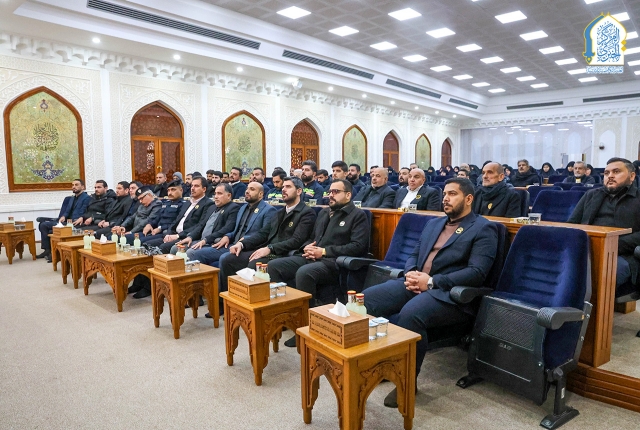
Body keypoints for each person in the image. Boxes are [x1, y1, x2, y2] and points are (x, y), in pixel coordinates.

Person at [364, 178, 499, 407]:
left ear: (468, 199)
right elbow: (413, 255)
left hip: (449, 293)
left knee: (410, 315)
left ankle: (407, 381)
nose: (446, 198)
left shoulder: (483, 228)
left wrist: (432, 281)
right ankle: (383, 365)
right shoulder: (434, 224)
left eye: (452, 194)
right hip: (416, 283)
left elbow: (477, 272)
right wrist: (410, 273)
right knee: (366, 300)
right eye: (445, 193)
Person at [268, 179, 370, 346]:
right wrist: (307, 246)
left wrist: (323, 251)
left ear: (348, 195)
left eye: (336, 192)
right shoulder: (324, 213)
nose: (330, 195)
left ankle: (305, 327)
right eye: (330, 192)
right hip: (312, 256)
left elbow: (358, 246)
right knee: (274, 266)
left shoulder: (357, 215)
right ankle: (284, 318)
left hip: (334, 262)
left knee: (304, 273)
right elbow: (313, 238)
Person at [219, 177, 316, 299]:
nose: (283, 189)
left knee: (255, 264)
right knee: (229, 260)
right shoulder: (279, 212)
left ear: (299, 191)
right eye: (283, 187)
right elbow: (263, 233)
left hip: (284, 253)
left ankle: (255, 304)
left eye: (288, 187)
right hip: (270, 251)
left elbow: (296, 240)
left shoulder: (306, 213)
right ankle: (229, 302)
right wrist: (242, 244)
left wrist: (270, 248)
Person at [568, 158, 640, 292]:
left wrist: (612, 245)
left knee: (601, 273)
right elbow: (571, 224)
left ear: (632, 176)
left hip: (623, 255)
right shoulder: (591, 195)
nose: (610, 176)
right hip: (586, 250)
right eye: (606, 173)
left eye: (616, 172)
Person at [188, 182, 276, 268]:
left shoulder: (268, 210)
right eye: (247, 188)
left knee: (224, 258)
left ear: (260, 194)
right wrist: (227, 236)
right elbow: (236, 230)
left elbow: (264, 235)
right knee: (196, 253)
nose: (247, 191)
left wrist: (245, 240)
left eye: (252, 189)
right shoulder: (243, 208)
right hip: (233, 244)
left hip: (249, 247)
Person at [144, 176, 214, 253]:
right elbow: (176, 221)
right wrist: (168, 234)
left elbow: (199, 225)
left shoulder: (208, 204)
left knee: (163, 247)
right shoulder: (188, 203)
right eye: (192, 186)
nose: (192, 188)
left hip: (185, 236)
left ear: (204, 189)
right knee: (147, 244)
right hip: (174, 234)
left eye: (196, 186)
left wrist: (178, 236)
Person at [172, 183, 240, 260]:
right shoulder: (212, 207)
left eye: (219, 193)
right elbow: (201, 225)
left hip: (214, 242)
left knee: (191, 253)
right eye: (215, 194)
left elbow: (227, 229)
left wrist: (206, 240)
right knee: (175, 248)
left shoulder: (233, 208)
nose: (216, 196)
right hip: (201, 240)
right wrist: (191, 237)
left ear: (229, 196)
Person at [37, 179, 91, 262]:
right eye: (72, 185)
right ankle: (47, 250)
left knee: (48, 227)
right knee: (43, 224)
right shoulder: (71, 198)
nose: (74, 187)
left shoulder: (87, 198)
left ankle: (56, 254)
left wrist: (82, 217)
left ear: (83, 187)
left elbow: (86, 211)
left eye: (76, 185)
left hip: (75, 222)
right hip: (66, 221)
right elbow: (67, 211)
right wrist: (64, 216)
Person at [138, 180, 186, 244]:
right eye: (168, 190)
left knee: (142, 242)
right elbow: (158, 217)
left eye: (173, 190)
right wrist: (150, 224)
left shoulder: (184, 205)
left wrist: (160, 228)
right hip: (156, 231)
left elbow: (176, 223)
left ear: (181, 190)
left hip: (167, 233)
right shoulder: (166, 203)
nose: (170, 193)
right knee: (134, 239)